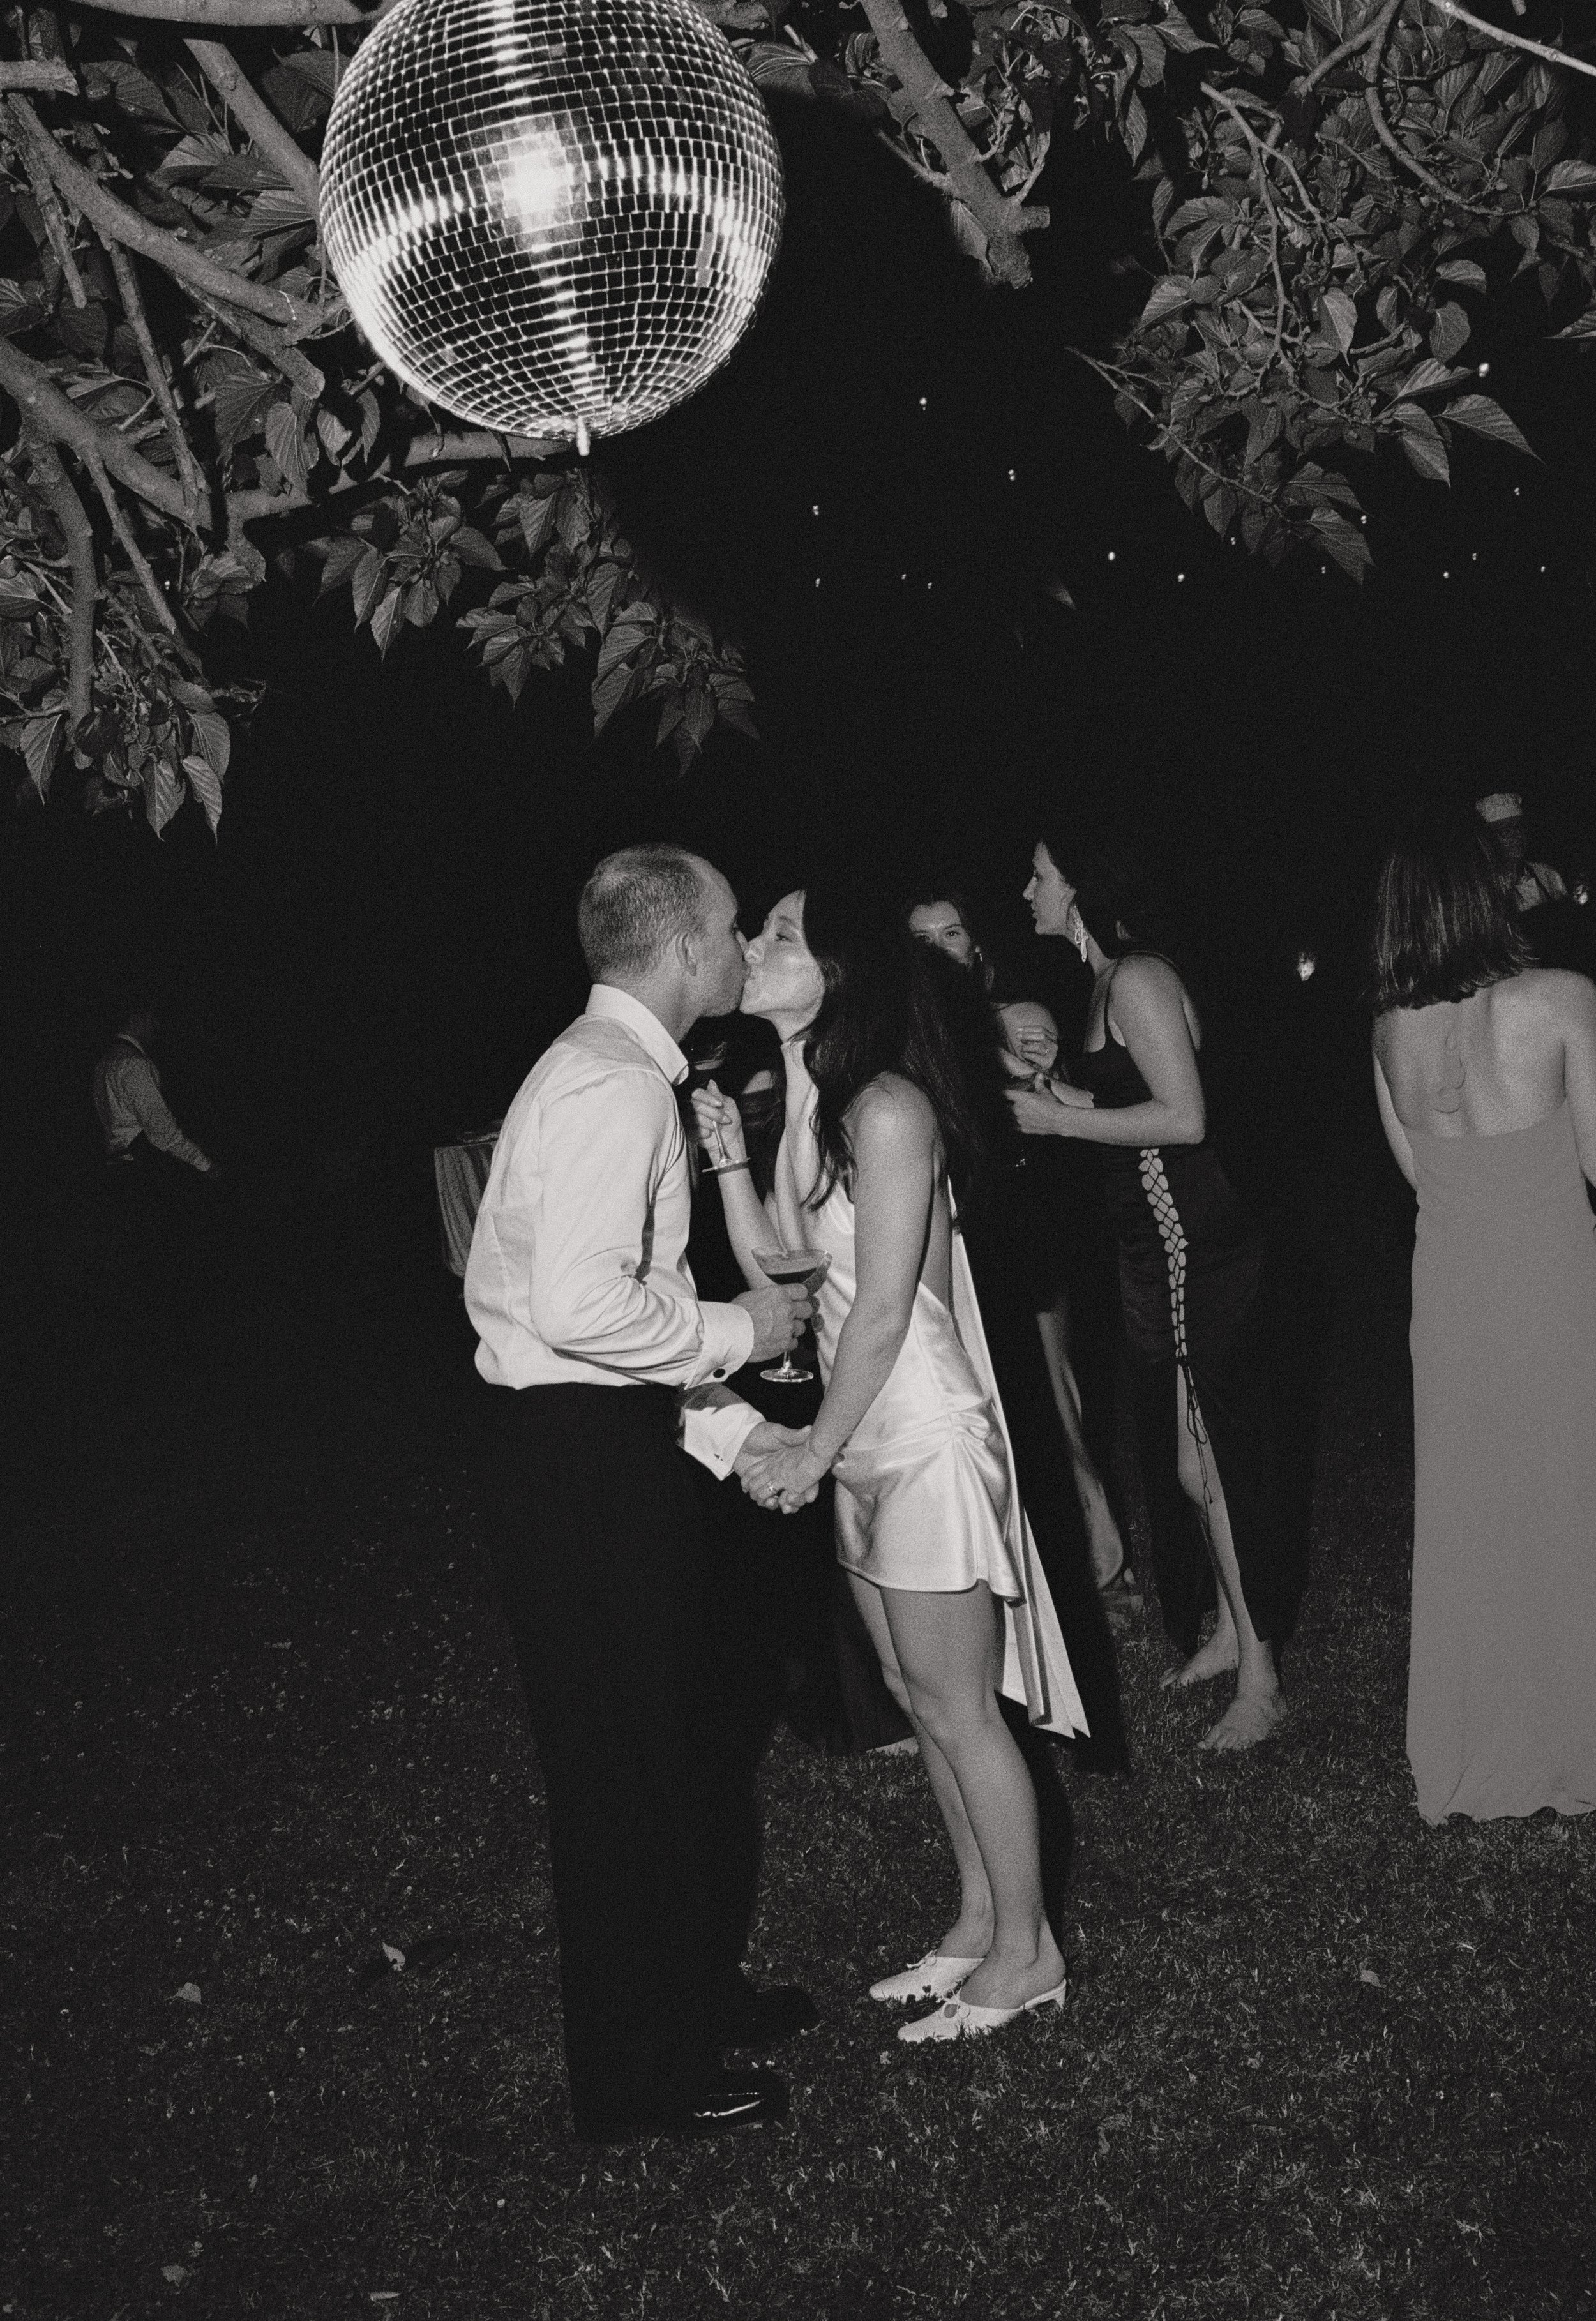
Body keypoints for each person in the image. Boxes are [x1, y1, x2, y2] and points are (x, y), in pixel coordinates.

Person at [465, 843, 821, 2143]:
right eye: (730, 929)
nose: (738, 950)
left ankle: (689, 1997)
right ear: (678, 948)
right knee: (621, 1768)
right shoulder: (612, 1087)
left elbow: (607, 1337)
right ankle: (638, 2074)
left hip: (591, 1445)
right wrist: (742, 1329)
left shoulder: (608, 1072)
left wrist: (734, 1444)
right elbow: (577, 1311)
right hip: (576, 1470)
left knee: (669, 1746)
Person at [693, 880, 1086, 2045]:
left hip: (916, 1435)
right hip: (861, 1439)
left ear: (840, 973)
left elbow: (878, 1317)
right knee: (918, 1700)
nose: (753, 946)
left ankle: (1032, 1953)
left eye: (776, 935)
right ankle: (977, 1921)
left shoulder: (891, 1108)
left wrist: (814, 1447)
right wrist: (726, 1157)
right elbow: (781, 1273)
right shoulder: (810, 1102)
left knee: (963, 1709)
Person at [1012, 838, 1298, 1752]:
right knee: (1189, 1464)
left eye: (1042, 876)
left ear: (1081, 889)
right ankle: (1228, 1628)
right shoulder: (1102, 983)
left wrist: (1057, 1116)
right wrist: (1051, 1090)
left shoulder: (1134, 978)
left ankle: (1262, 1679)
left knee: (1209, 1462)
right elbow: (1126, 1102)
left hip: (1191, 1241)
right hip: (1152, 1240)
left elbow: (1185, 1116)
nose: (1028, 890)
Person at [1371, 803, 1596, 1822]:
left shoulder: (1388, 1031)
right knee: (1568, 1503)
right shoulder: (1561, 1000)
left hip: (1451, 1295)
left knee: (1474, 1519)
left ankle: (1479, 1743)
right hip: (1551, 1285)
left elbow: (1422, 1176)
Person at [92, 1009, 218, 1180]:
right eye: (152, 1018)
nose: (157, 1026)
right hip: (139, 1166)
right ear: (135, 1020)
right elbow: (161, 1128)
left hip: (114, 1162)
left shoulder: (104, 1063)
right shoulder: (134, 1064)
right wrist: (203, 1164)